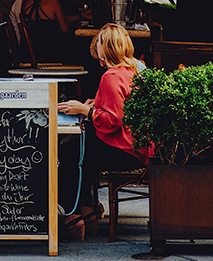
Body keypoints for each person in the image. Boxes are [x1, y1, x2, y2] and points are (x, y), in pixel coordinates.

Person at [57, 23, 154, 241]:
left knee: (68, 153)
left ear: (107, 47)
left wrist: (85, 110)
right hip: (137, 146)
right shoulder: (132, 70)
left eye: (99, 42)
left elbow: (113, 121)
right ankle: (88, 211)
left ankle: (74, 217)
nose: (96, 46)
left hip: (125, 149)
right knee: (79, 150)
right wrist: (95, 104)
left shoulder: (110, 76)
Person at [19, 0, 92, 64]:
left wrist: (81, 16)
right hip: (48, 54)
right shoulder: (53, 3)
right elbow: (64, 28)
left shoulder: (27, 2)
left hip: (29, 54)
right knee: (79, 52)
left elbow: (56, 20)